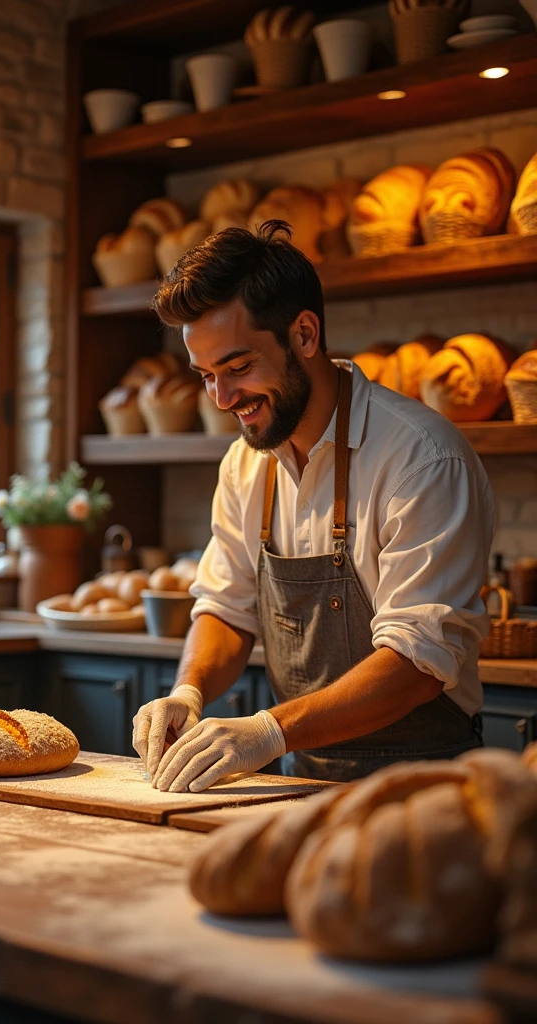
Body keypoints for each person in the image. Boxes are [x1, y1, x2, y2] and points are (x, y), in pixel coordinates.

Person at [132, 220, 493, 793]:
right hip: (303, 780)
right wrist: (189, 690)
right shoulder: (246, 464)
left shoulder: (423, 459)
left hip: (424, 790)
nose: (223, 399)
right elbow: (226, 608)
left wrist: (268, 732)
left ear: (304, 334)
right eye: (207, 377)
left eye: (239, 367)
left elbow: (416, 665)